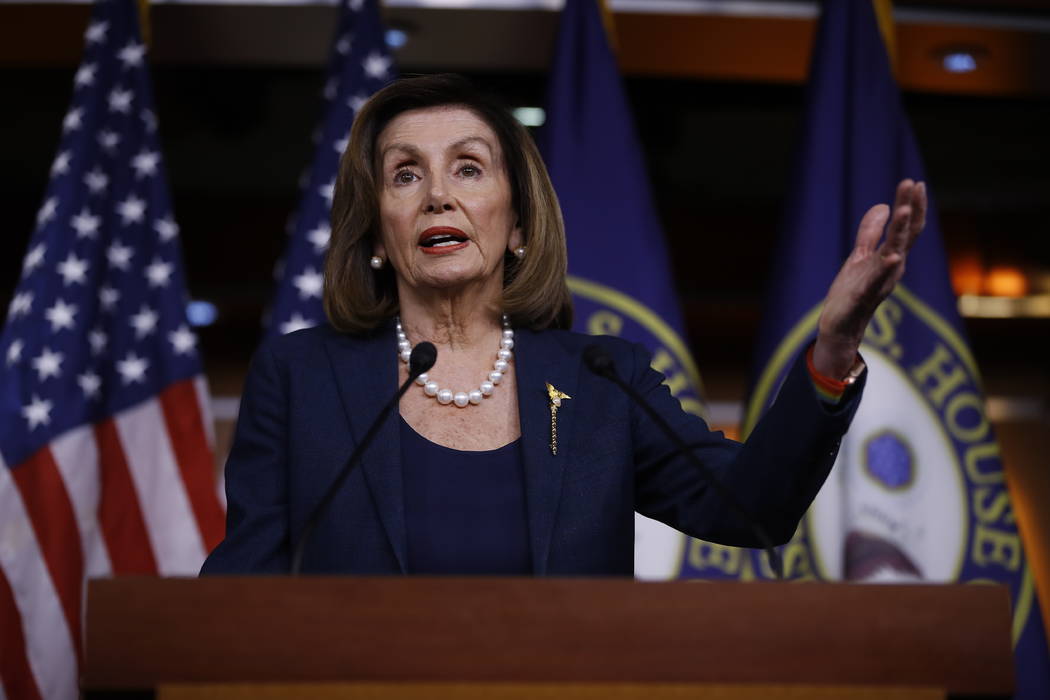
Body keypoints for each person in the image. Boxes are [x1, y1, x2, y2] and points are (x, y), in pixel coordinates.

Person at [200, 74, 926, 576]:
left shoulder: (605, 382)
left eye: (469, 168)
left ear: (517, 226)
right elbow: (240, 595)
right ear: (376, 234)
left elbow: (753, 510)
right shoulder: (299, 380)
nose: (438, 196)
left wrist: (834, 348)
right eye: (405, 174)